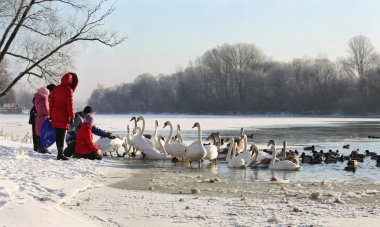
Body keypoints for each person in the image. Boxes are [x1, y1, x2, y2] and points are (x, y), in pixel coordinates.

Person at [49, 72, 78, 160]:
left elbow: (51, 103)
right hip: (63, 115)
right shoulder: (69, 90)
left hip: (55, 114)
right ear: (70, 81)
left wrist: (50, 114)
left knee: (58, 135)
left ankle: (59, 153)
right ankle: (60, 154)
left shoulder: (56, 89)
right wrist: (72, 117)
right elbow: (70, 105)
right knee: (61, 135)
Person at [29, 84, 56, 152]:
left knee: (38, 132)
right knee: (38, 132)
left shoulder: (42, 95)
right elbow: (43, 107)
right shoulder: (43, 96)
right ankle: (37, 148)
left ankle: (38, 148)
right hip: (37, 115)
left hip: (37, 115)